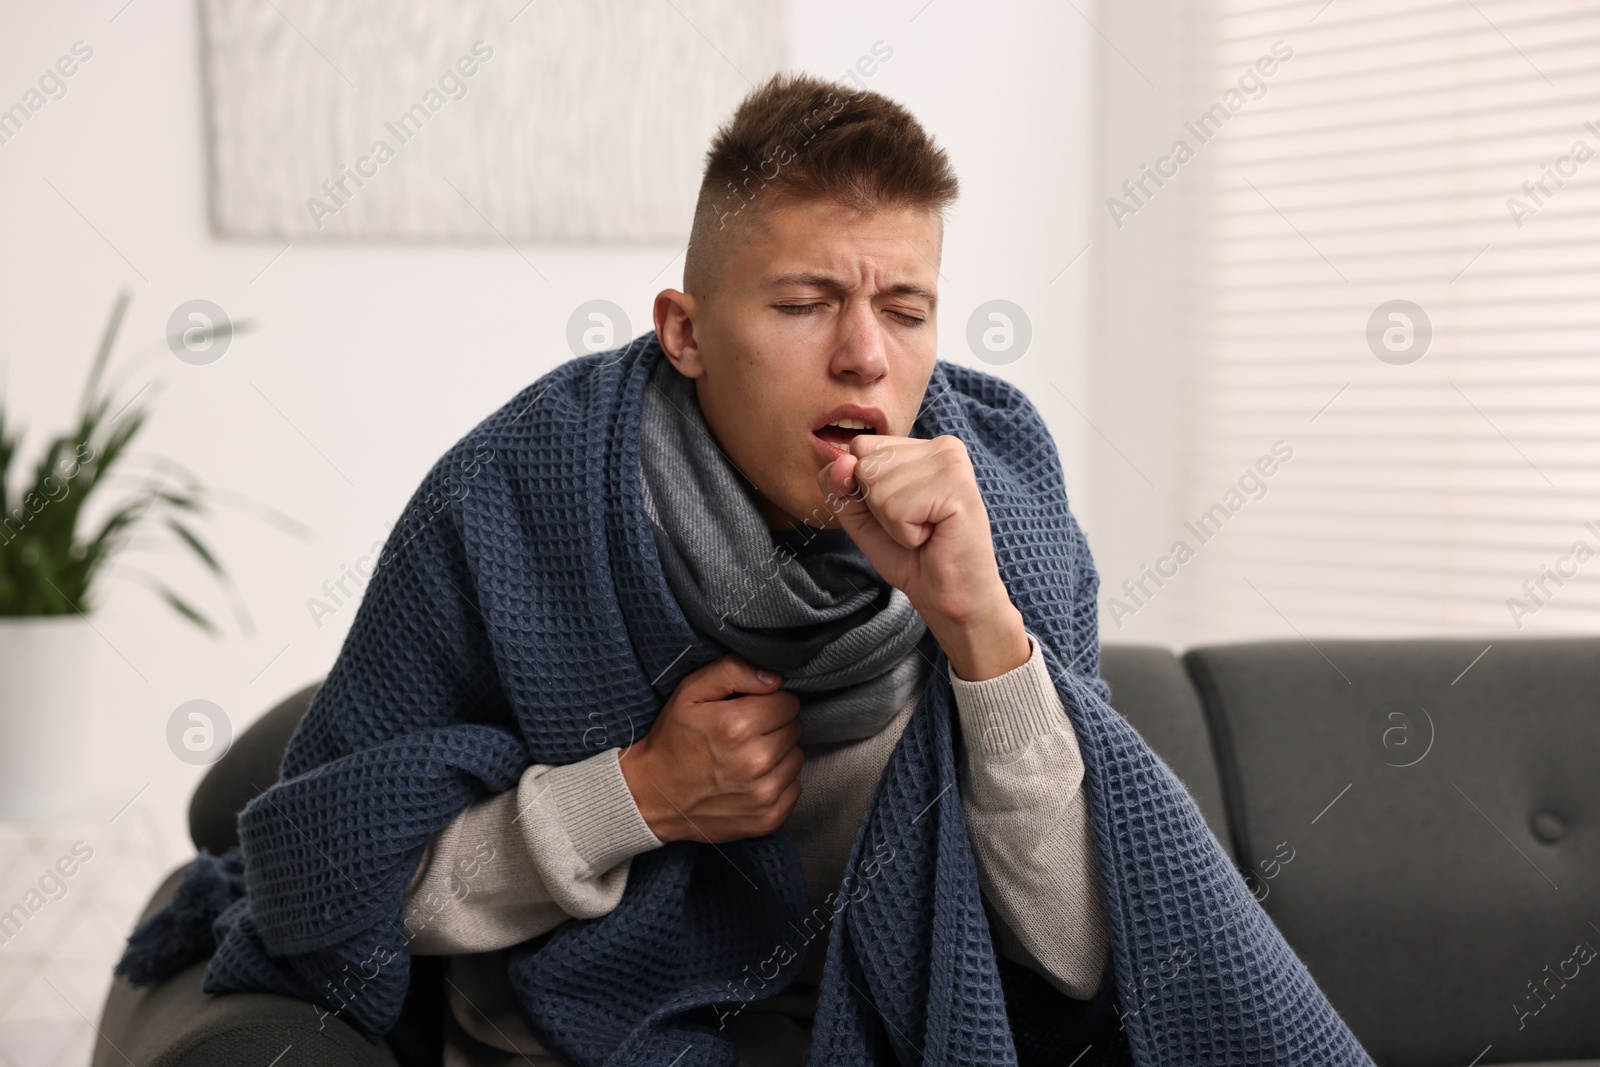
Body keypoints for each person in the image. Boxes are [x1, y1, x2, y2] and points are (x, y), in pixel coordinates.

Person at [118, 74, 1373, 1067]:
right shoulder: (509, 499)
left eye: (907, 308)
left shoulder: (1004, 496)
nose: (864, 358)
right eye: (802, 301)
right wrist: (641, 794)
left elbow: (1079, 953)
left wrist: (979, 630)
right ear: (686, 332)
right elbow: (335, 892)